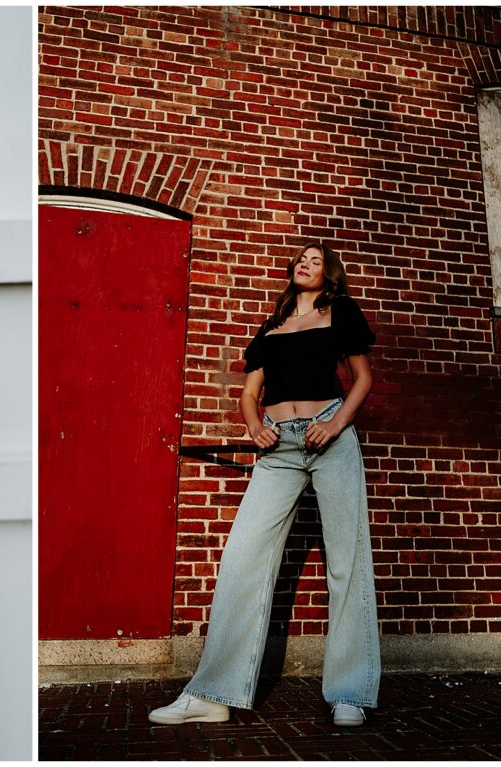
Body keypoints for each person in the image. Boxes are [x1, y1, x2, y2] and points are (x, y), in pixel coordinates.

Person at [149, 242, 381, 728]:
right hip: (278, 450)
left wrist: (336, 425)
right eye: (302, 258)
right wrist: (254, 426)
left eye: (317, 261)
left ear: (329, 274)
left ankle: (349, 693)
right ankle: (214, 694)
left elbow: (362, 378)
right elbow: (250, 393)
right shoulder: (271, 328)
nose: (306, 264)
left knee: (347, 561)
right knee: (242, 557)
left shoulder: (339, 312)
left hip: (328, 438)